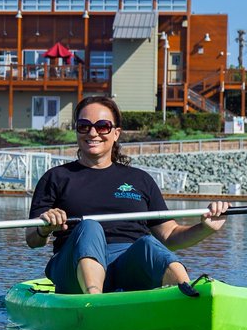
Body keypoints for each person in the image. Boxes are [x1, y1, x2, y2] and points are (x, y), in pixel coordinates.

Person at [26, 95, 228, 297]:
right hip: (72, 267)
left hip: (127, 266)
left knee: (149, 244)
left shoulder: (140, 180)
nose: (93, 133)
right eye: (84, 126)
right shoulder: (56, 178)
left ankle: (189, 294)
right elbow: (32, 240)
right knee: (89, 226)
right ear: (77, 130)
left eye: (102, 126)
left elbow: (169, 235)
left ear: (116, 133)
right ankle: (95, 301)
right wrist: (44, 229)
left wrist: (205, 228)